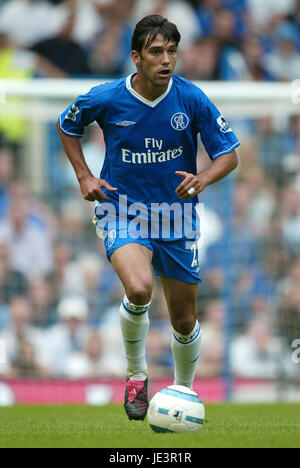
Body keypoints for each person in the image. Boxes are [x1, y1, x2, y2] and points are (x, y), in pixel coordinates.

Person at [57, 15, 240, 421]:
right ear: (136, 58)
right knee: (139, 289)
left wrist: (202, 177)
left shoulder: (191, 98)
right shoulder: (106, 97)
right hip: (123, 210)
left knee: (184, 318)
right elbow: (66, 123)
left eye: (172, 51)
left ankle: (183, 393)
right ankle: (137, 374)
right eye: (157, 52)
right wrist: (85, 175)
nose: (166, 60)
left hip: (176, 215)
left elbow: (229, 154)